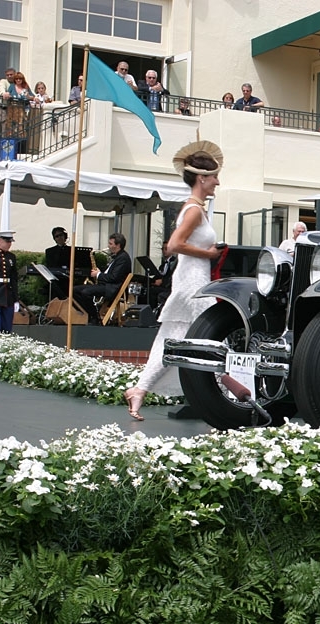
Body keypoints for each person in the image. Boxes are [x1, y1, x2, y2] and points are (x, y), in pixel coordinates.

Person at [124, 140, 224, 420]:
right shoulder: (193, 210)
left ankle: (141, 391)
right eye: (214, 176)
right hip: (192, 283)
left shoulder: (194, 208)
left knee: (180, 340)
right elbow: (173, 245)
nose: (217, 181)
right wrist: (208, 253)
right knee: (206, 340)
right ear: (202, 178)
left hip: (192, 280)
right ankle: (219, 398)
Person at [72, 233, 132, 325]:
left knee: (86, 292)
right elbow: (111, 274)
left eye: (111, 244)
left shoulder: (123, 258)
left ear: (118, 245)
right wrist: (101, 272)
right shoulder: (117, 257)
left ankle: (94, 318)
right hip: (107, 285)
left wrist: (98, 275)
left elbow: (114, 278)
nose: (108, 246)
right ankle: (89, 314)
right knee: (74, 290)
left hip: (112, 288)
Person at [44, 226, 73, 299]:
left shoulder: (72, 250)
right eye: (57, 236)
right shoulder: (50, 251)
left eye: (61, 235)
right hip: (56, 278)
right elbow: (51, 265)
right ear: (54, 239)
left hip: (70, 278)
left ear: (65, 236)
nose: (59, 238)